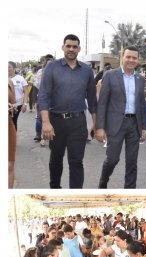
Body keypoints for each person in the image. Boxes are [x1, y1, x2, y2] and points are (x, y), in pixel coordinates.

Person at [38, 34, 97, 188]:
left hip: (78, 122)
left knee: (76, 161)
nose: (71, 49)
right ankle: (55, 189)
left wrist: (96, 124)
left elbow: (92, 99)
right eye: (68, 46)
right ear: (63, 47)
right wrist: (45, 122)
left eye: (74, 46)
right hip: (55, 121)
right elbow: (43, 94)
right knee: (56, 159)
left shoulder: (87, 70)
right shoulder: (52, 67)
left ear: (79, 49)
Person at [95, 46, 146, 188]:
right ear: (122, 58)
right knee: (112, 159)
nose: (131, 60)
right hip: (115, 124)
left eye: (134, 58)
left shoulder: (140, 79)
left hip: (134, 125)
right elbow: (102, 103)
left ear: (138, 60)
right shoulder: (110, 75)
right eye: (128, 57)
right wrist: (99, 127)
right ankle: (103, 181)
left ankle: (129, 191)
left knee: (132, 163)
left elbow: (142, 105)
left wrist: (144, 127)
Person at [8, 61, 29, 129]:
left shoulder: (20, 78)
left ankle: (12, 138)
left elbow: (26, 91)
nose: (7, 69)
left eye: (9, 67)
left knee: (13, 122)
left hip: (17, 105)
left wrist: (25, 104)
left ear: (14, 68)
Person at [8, 80, 16, 188]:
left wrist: (12, 106)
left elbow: (13, 102)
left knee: (9, 165)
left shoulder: (8, 82)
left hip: (8, 125)